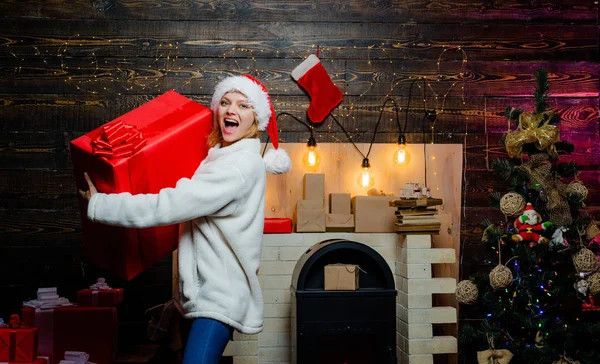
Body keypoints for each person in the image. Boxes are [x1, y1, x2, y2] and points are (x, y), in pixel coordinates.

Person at [78, 75, 291, 363]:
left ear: (256, 118)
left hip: (219, 298)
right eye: (225, 102)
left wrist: (103, 204)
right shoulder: (219, 158)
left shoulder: (239, 165)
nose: (231, 110)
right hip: (202, 298)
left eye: (243, 105)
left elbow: (172, 204)